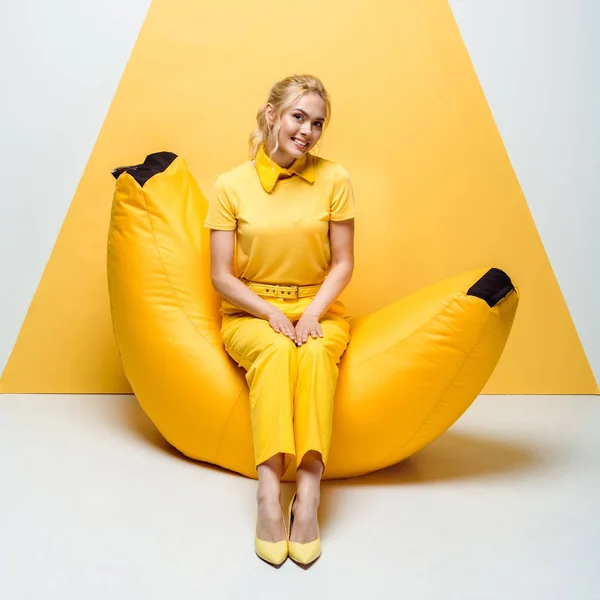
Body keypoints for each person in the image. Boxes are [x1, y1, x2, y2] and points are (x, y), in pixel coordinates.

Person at [204, 74, 356, 566]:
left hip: (319, 306)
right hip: (251, 310)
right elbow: (222, 277)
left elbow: (343, 264)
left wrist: (311, 314)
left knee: (313, 355)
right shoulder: (230, 185)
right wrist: (270, 312)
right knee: (273, 350)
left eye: (317, 123)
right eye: (298, 117)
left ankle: (308, 496)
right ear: (272, 115)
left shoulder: (335, 178)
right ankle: (269, 495)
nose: (308, 131)